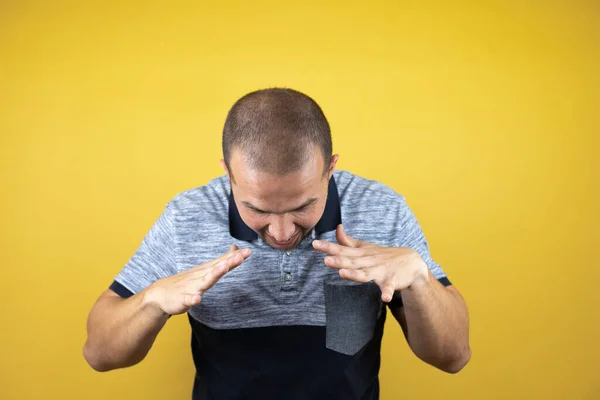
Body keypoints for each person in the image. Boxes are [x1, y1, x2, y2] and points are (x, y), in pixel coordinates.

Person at [83, 88, 471, 399]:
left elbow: (453, 356)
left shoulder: (382, 210)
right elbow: (99, 353)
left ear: (330, 168)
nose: (282, 233)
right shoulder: (187, 216)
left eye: (303, 207)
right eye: (257, 210)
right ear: (228, 174)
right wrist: (152, 299)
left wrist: (419, 278)